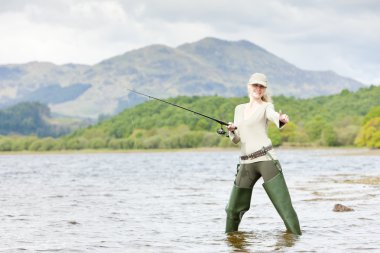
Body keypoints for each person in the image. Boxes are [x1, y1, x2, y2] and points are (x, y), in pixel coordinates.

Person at [225, 73, 302, 235]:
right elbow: (236, 139)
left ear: (265, 89)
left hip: (266, 160)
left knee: (284, 207)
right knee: (232, 210)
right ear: (249, 86)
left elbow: (275, 117)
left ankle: (297, 241)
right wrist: (231, 131)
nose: (258, 89)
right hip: (245, 164)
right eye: (255, 85)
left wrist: (281, 119)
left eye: (261, 86)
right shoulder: (238, 109)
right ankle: (231, 243)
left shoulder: (266, 107)